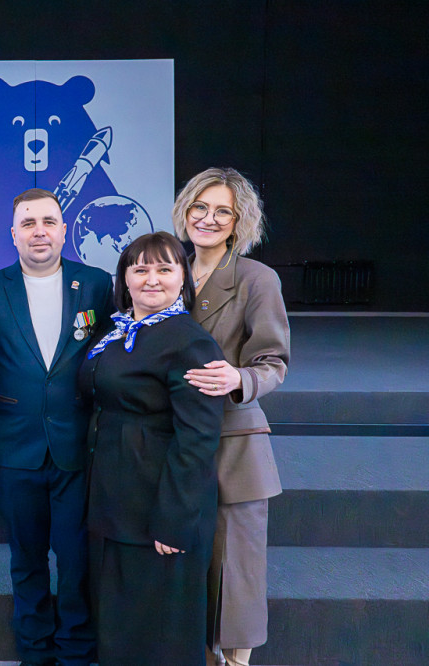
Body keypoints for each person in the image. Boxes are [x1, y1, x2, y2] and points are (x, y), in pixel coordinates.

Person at [0, 188, 112, 666]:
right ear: (12, 234)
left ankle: (76, 652)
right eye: (28, 223)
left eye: (48, 222)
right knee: (26, 560)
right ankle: (34, 652)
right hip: (15, 449)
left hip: (79, 446)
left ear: (63, 230)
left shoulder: (96, 284)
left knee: (76, 560)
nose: (39, 232)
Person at [77, 231, 224, 665]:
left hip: (159, 509)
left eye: (164, 268)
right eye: (140, 269)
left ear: (183, 277)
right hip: (114, 500)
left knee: (159, 632)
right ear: (124, 278)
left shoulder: (191, 342)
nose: (152, 279)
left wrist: (174, 520)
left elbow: (197, 439)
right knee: (119, 625)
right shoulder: (116, 330)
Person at [172, 168, 290, 666]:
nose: (209, 218)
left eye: (224, 211)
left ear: (240, 222)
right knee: (183, 572)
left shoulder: (257, 279)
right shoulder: (167, 270)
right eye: (200, 207)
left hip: (233, 443)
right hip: (173, 443)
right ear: (185, 210)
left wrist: (238, 378)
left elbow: (273, 363)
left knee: (235, 578)